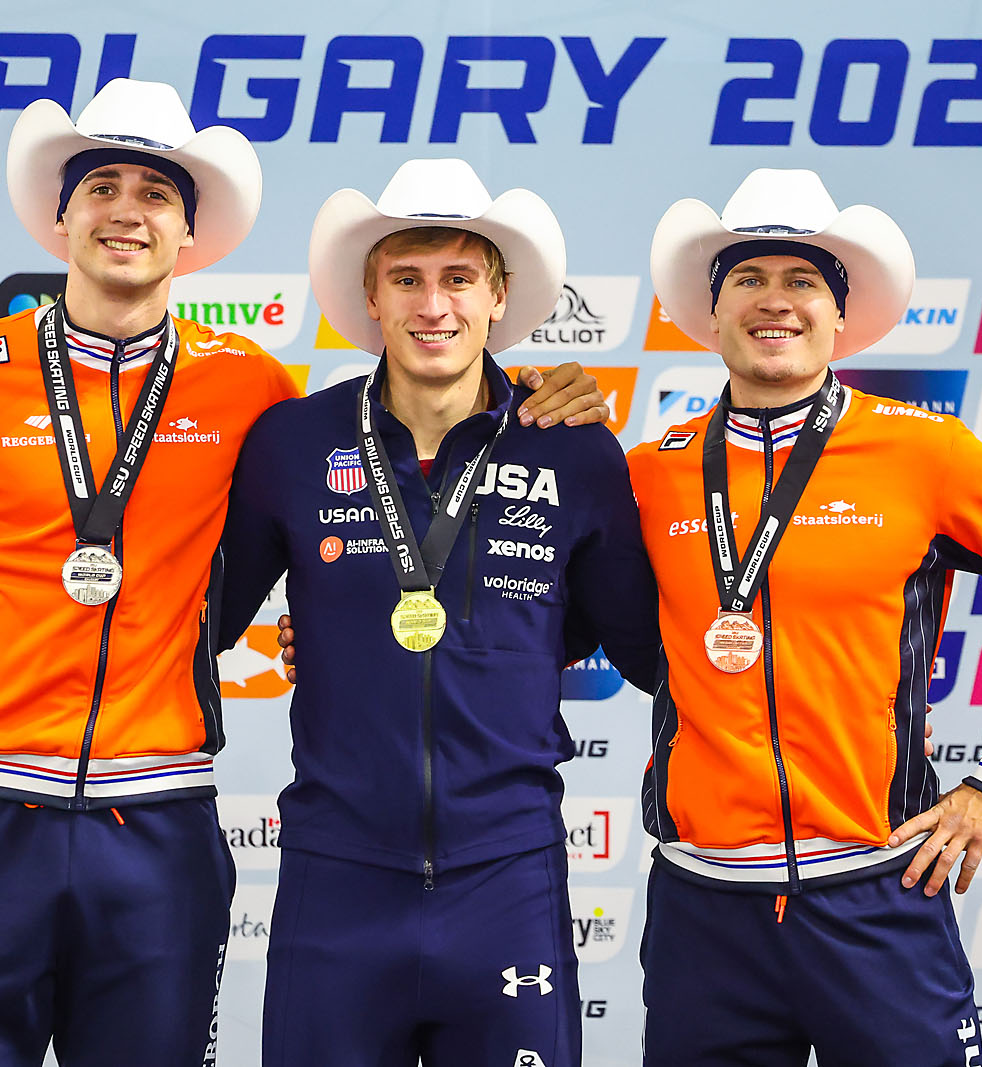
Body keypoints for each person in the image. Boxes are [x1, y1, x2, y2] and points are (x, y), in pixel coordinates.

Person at [0, 81, 599, 1065]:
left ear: (188, 228)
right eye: (101, 185)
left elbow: (315, 550)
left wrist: (551, 388)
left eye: (156, 192)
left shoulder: (253, 389)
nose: (126, 209)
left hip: (160, 826)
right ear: (60, 211)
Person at [626, 168, 982, 1066]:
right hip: (703, 912)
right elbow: (534, 599)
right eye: (750, 278)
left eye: (803, 280)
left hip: (877, 891)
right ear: (712, 307)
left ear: (840, 313)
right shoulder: (650, 471)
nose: (775, 302)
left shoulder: (926, 453)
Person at [213, 158, 661, 1067]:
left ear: (498, 296)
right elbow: (191, 619)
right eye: (407, 279)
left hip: (507, 880)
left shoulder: (573, 452)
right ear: (371, 296)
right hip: (335, 878)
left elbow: (652, 649)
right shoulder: (292, 443)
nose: (434, 305)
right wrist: (12, 653)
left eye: (460, 278)